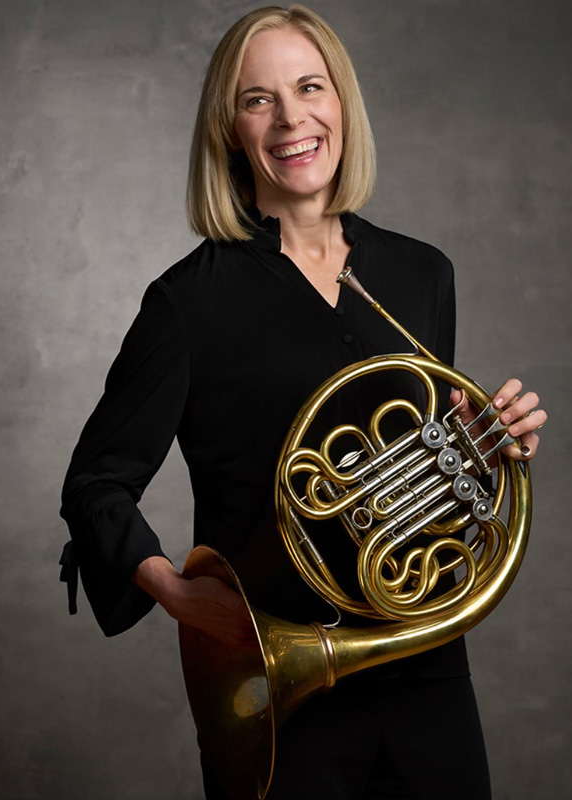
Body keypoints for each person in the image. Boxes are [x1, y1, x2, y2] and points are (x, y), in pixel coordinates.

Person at [59, 5, 547, 799]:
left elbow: (430, 472)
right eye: (259, 99)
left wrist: (488, 449)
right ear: (231, 130)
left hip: (425, 667)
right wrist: (179, 595)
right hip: (278, 691)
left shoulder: (423, 273)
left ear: (341, 102)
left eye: (310, 87)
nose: (292, 118)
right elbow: (96, 484)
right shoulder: (189, 303)